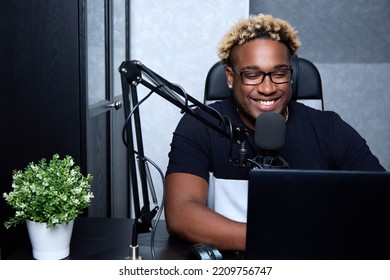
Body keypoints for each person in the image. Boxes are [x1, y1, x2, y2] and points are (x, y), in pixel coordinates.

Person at [164, 14, 385, 252]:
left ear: (292, 74)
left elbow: (379, 203)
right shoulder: (200, 125)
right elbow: (181, 214)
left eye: (279, 74)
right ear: (230, 77)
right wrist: (278, 240)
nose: (267, 88)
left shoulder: (329, 129)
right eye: (252, 75)